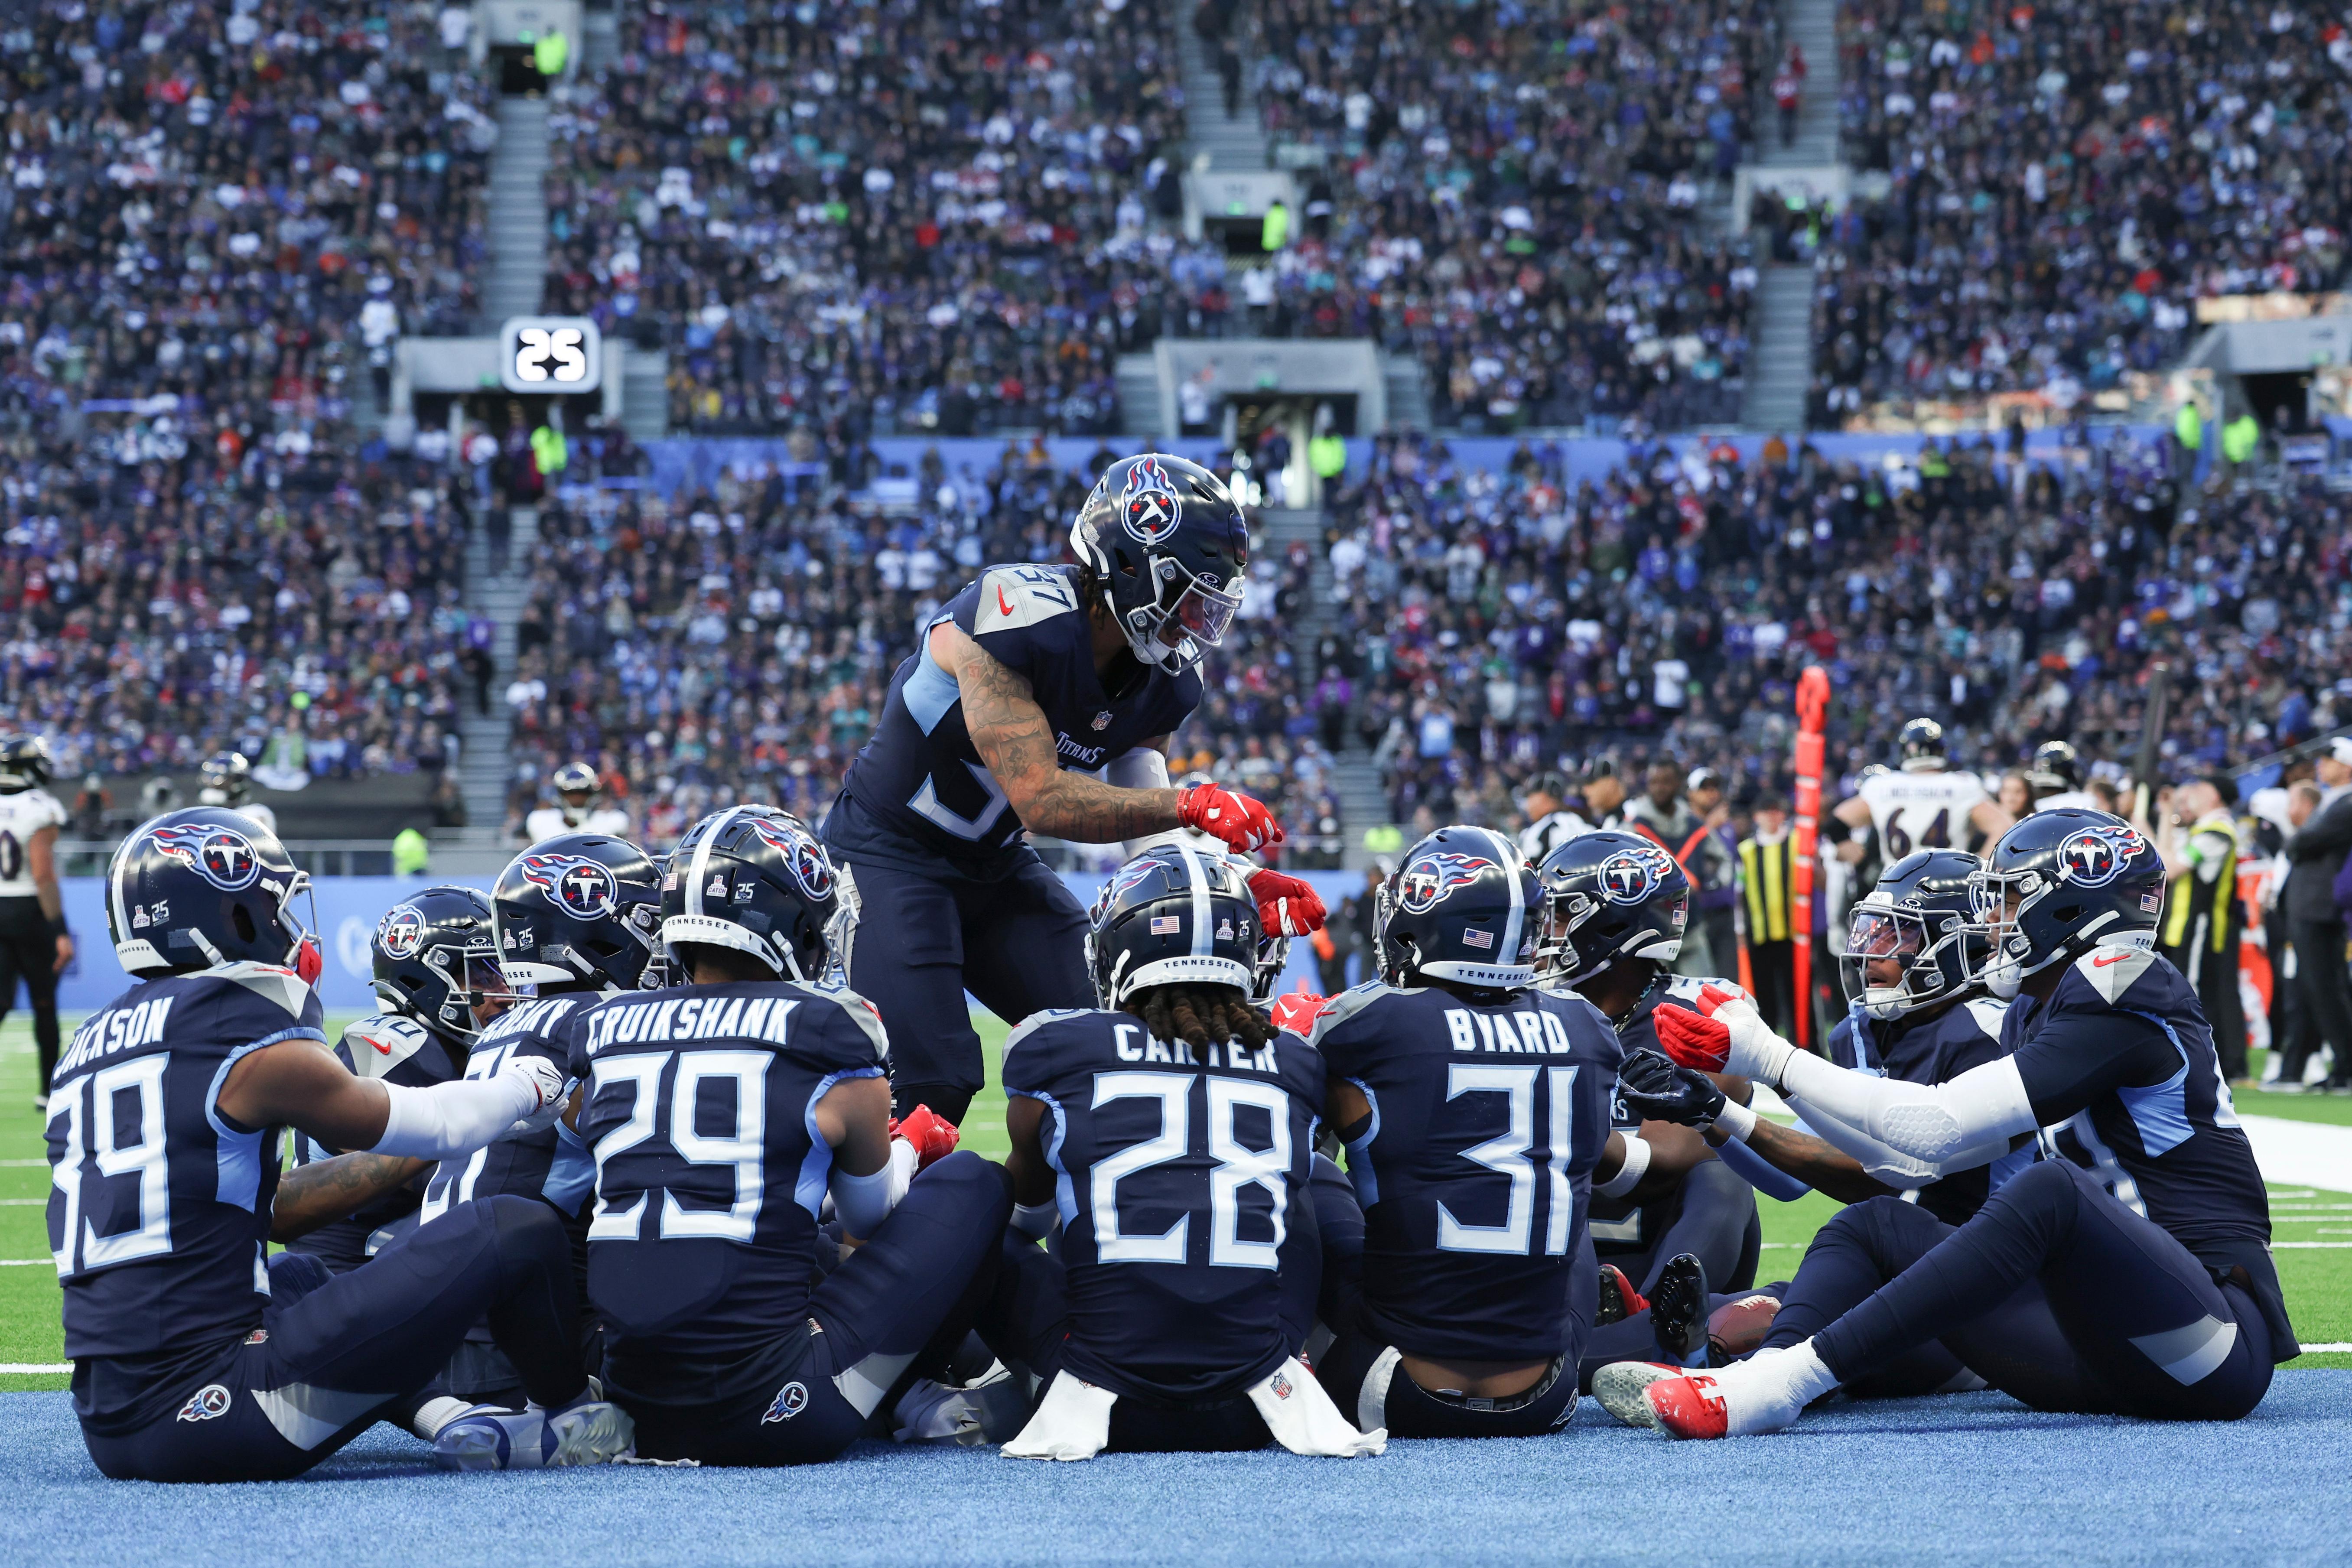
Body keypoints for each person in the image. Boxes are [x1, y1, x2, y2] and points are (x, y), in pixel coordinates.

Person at [1631, 809, 2295, 1438]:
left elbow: (1938, 1127)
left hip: (2210, 1346)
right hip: (2096, 1343)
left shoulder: (2123, 984)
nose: (1991, 924)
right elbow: (1907, 1165)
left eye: (2007, 901)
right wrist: (1742, 1092)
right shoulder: (2035, 1010)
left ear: (2069, 906)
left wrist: (1771, 1054)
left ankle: (1780, 1384)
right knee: (1874, 1223)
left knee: (2050, 1190)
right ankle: (1762, 1371)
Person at [47, 808, 626, 1482]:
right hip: (220, 1412)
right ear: (229, 913)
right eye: (269, 902)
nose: (284, 921)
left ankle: (444, 1414)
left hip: (111, 1420)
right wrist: (530, 1085)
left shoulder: (89, 1043)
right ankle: (572, 1416)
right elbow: (435, 1123)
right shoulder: (233, 1019)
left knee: (298, 1274)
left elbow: (271, 1210)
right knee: (512, 1225)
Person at [820, 454, 1309, 1125]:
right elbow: (1041, 798)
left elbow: (1144, 814)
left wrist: (1219, 876)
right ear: (1130, 565)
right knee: (934, 1079)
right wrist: (1192, 803)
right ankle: (873, 1225)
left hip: (994, 869)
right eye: (1189, 595)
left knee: (1127, 1021)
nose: (1198, 620)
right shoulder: (1015, 615)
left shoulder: (1164, 679)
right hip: (886, 855)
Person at [569, 805, 1014, 1465]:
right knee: (975, 1180)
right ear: (790, 923)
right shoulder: (830, 1025)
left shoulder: (602, 1026)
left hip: (631, 1398)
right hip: (772, 1409)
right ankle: (915, 1388)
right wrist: (911, 1143)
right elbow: (870, 1213)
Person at [1583, 849, 2019, 1420]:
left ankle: (1693, 1371)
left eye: (1899, 934)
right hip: (1908, 1259)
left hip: (1988, 1285)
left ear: (1962, 944)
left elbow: (1891, 1172)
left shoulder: (1989, 1030)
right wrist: (1717, 1116)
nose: (1872, 949)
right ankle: (1689, 1352)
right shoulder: (1864, 1030)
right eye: (1871, 928)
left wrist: (1748, 1088)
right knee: (1750, 1305)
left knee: (1843, 1253)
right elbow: (1814, 1177)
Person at [986, 843, 1380, 1459]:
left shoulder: (1051, 1044)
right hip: (1247, 1408)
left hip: (1106, 1397)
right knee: (1306, 1182)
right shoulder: (1296, 1060)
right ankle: (1299, 1363)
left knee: (983, 1196)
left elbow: (1024, 1219)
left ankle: (951, 1379)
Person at [1307, 827, 1625, 1438]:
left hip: (1391, 1385)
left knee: (1307, 1170)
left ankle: (1267, 1365)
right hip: (1545, 1395)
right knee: (1559, 1202)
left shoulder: (1365, 1023)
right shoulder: (1587, 1027)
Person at [416, 831, 665, 1409]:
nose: (660, 939)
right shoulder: (604, 1021)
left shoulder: (503, 1027)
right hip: (529, 1344)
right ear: (600, 931)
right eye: (648, 922)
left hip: (444, 1331)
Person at [1534, 830, 1763, 1375]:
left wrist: (1565, 1133)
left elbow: (1675, 1155)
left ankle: (1655, 1324)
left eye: (1562, 915)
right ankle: (1677, 1343)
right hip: (1563, 1256)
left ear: (1614, 926)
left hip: (1667, 1247)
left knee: (1721, 1175)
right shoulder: (1525, 1012)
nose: (1545, 932)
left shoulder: (1707, 1010)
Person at [285, 887, 510, 1279]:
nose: (505, 994)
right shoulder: (394, 1045)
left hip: (394, 1255)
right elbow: (454, 1179)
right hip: (348, 1270)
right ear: (426, 982)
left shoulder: (461, 1051)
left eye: (505, 974)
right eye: (485, 974)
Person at [2158, 775, 2248, 1084]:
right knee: (2201, 991)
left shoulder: (2216, 832)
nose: (2189, 797)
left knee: (2197, 992)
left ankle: (2216, 1063)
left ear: (2214, 797)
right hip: (2187, 924)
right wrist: (2165, 818)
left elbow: (2168, 868)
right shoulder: (2201, 830)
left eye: (2197, 791)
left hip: (2203, 925)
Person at [0, 736, 72, 1104]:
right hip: (28, 911)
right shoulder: (39, 806)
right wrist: (60, 930)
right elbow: (43, 875)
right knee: (44, 1002)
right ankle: (47, 1091)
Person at [2280, 738, 2352, 1091]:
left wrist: (2298, 842)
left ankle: (2346, 1067)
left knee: (2328, 989)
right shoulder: (2334, 802)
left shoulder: (2347, 802)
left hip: (2322, 907)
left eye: (2329, 760)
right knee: (2320, 989)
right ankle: (2341, 1065)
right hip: (2314, 905)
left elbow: (2303, 842)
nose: (2321, 765)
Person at [1834, 717, 2007, 862]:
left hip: (1895, 886)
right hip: (1947, 888)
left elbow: (1834, 825)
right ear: (1942, 750)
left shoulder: (1882, 786)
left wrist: (1862, 862)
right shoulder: (1963, 785)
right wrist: (1979, 868)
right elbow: (2005, 828)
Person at [1736, 794, 1799, 1035]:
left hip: (1793, 933)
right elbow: (1738, 893)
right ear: (1757, 817)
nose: (1772, 817)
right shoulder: (1746, 851)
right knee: (1765, 998)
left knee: (1798, 996)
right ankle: (1770, 1050)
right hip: (1759, 934)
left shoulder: (1797, 843)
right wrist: (1740, 929)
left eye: (1776, 811)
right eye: (1766, 812)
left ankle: (1806, 1044)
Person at [524, 761, 630, 843]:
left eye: (582, 794)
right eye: (571, 794)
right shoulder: (541, 821)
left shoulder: (611, 821)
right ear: (560, 796)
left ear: (593, 795)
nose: (577, 800)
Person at [1515, 771, 1589, 863]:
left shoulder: (1550, 827)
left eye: (1531, 796)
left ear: (1546, 796)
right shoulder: (1579, 821)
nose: (1528, 803)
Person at [198, 751, 275, 836]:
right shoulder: (200, 814)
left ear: (238, 781)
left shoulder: (256, 813)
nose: (214, 787)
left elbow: (261, 844)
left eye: (222, 784)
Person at [2026, 740, 2097, 813]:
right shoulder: (2089, 801)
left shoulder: (2036, 806)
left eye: (2049, 789)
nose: (2045, 793)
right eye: (2045, 789)